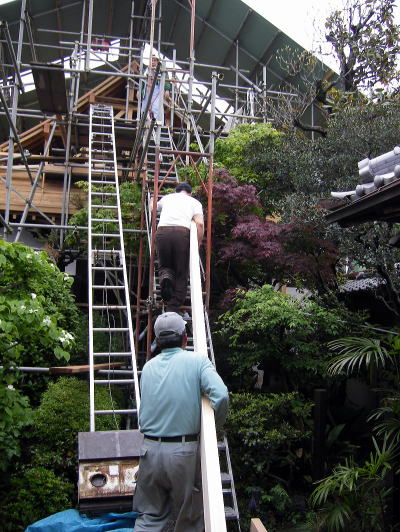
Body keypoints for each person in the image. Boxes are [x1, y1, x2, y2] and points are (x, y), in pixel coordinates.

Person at [133, 312, 229, 531]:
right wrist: (213, 427)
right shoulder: (197, 361)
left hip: (149, 451)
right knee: (190, 521)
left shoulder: (148, 368)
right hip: (182, 454)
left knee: (149, 518)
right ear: (185, 337)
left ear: (157, 341)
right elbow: (221, 396)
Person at [151, 182, 204, 315]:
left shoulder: (167, 198)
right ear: (190, 194)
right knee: (181, 272)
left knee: (164, 265)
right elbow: (200, 224)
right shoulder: (195, 202)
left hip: (162, 232)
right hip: (182, 234)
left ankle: (166, 277)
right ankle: (173, 308)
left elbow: (153, 209)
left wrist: (152, 200)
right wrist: (197, 244)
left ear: (176, 191)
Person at [141, 56, 172, 126]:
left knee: (156, 108)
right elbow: (142, 82)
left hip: (156, 91)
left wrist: (167, 90)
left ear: (157, 62)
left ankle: (156, 124)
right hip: (146, 92)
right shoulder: (146, 70)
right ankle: (145, 124)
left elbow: (166, 80)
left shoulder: (161, 70)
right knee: (145, 109)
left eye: (154, 60)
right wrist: (139, 91)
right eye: (151, 60)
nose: (153, 62)